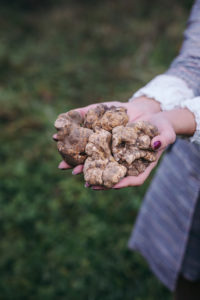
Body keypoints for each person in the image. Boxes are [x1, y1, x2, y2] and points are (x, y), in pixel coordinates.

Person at [54, 0, 200, 298]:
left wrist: (178, 119)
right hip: (191, 172)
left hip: (184, 130)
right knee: (187, 266)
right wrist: (150, 104)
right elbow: (195, 62)